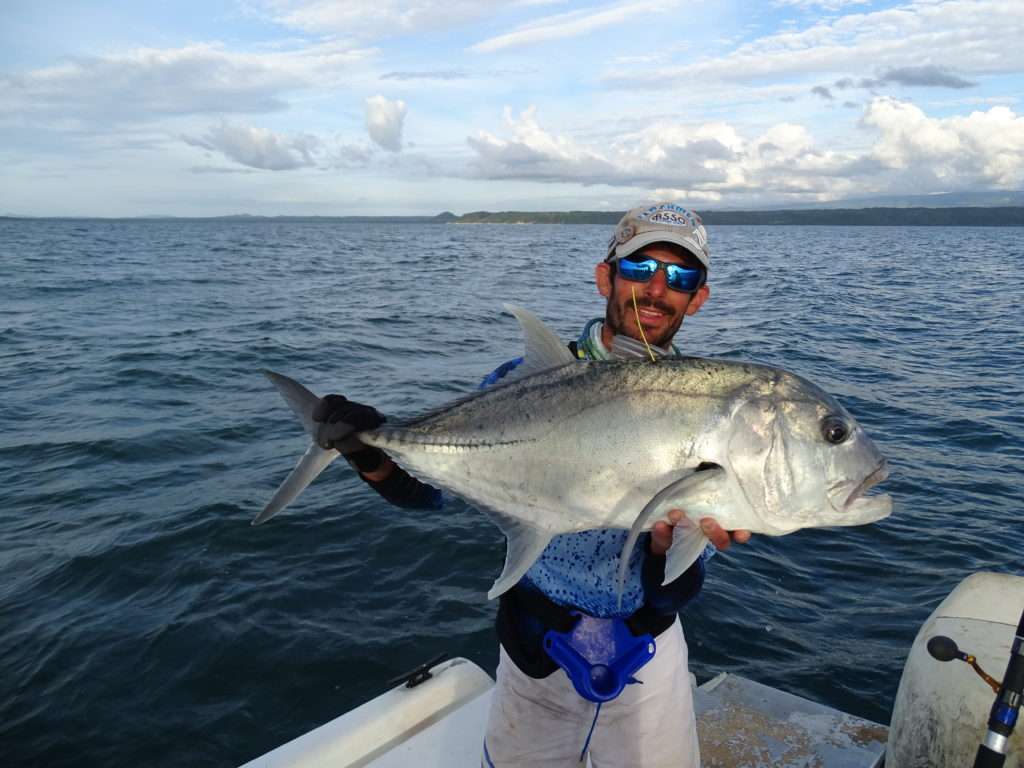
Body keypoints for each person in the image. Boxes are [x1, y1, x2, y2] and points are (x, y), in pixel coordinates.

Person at [314, 203, 751, 767]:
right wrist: (368, 454)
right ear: (606, 277)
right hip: (534, 649)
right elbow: (431, 496)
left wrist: (670, 553)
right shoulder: (522, 386)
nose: (657, 290)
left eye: (680, 277)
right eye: (640, 269)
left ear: (699, 297)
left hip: (651, 651)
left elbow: (675, 587)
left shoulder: (716, 410)